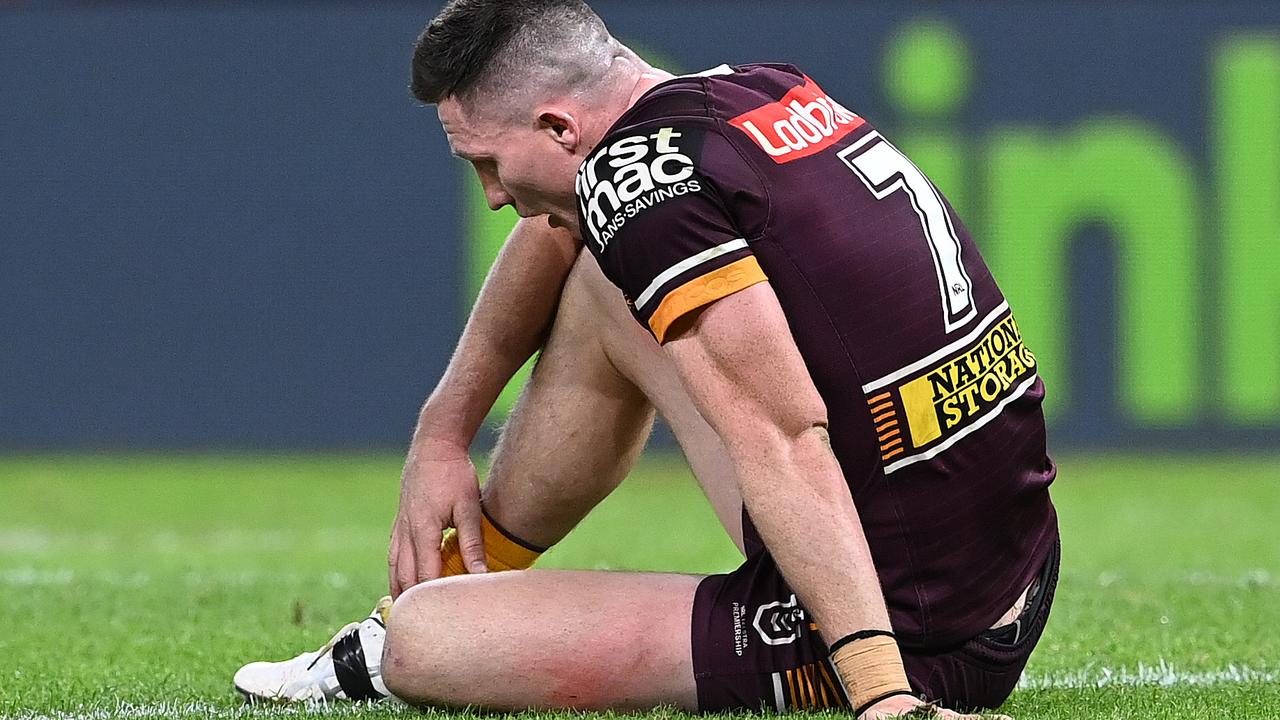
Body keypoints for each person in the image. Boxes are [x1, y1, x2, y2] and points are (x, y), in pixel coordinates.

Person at [234, 1, 1059, 717]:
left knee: (423, 646)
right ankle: (469, 567)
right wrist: (443, 431)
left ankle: (407, 622)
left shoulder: (637, 189)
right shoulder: (757, 89)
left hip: (928, 628)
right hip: (1008, 552)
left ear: (559, 126)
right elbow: (562, 231)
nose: (490, 192)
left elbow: (784, 437)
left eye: (487, 161)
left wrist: (885, 696)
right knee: (600, 281)